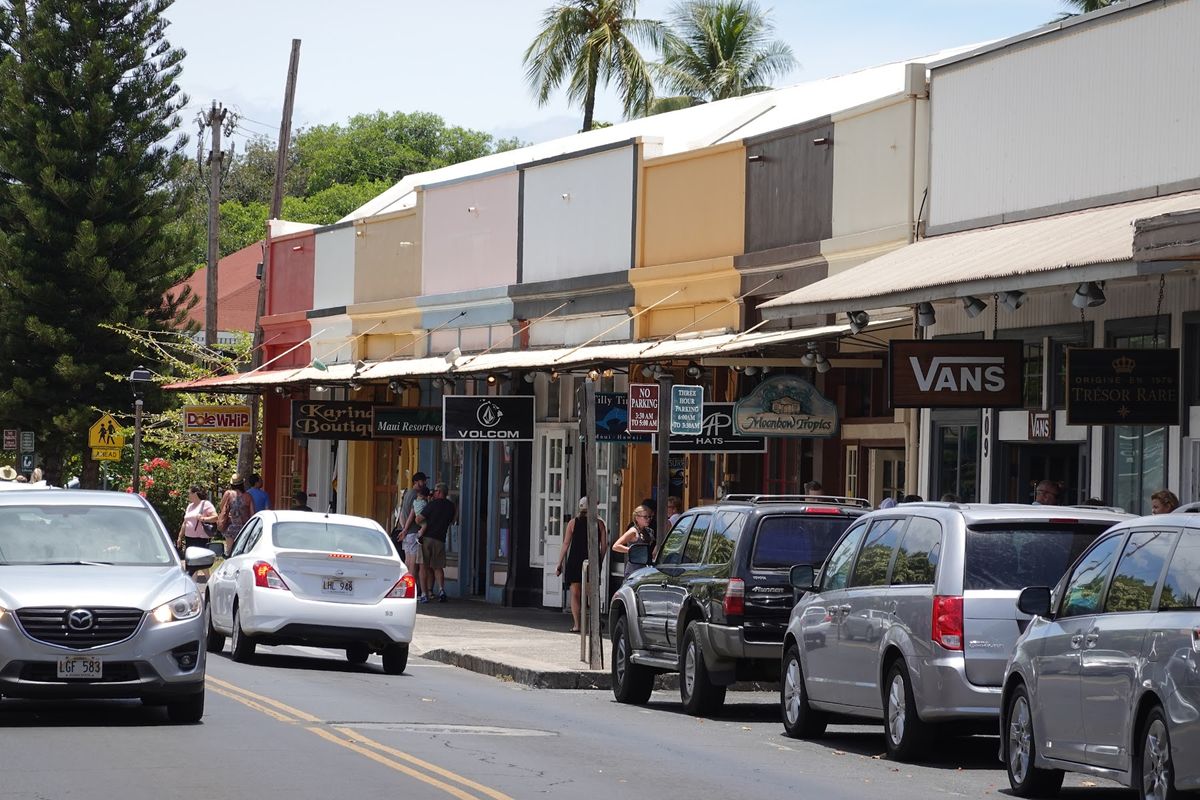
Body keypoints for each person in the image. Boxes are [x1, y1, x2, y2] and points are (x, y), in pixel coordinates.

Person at [555, 497, 609, 633]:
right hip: (591, 561)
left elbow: (566, 544)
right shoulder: (600, 523)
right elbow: (604, 546)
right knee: (592, 594)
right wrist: (600, 560)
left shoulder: (573, 523)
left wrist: (559, 563)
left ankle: (577, 625)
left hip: (574, 560)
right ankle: (593, 624)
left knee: (575, 593)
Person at [417, 482, 456, 603]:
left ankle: (424, 594)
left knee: (423, 566)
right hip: (440, 539)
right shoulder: (451, 506)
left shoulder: (432, 504)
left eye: (434, 491)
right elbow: (452, 520)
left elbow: (419, 518)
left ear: (439, 492)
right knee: (438, 567)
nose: (433, 493)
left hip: (427, 538)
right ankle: (441, 590)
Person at [402, 484, 431, 602]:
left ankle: (405, 587)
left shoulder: (413, 501)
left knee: (407, 561)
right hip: (415, 533)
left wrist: (404, 529)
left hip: (408, 533)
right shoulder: (425, 504)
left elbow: (408, 516)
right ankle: (411, 590)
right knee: (414, 564)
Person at [217, 474, 256, 555]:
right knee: (243, 551)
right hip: (244, 527)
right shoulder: (248, 496)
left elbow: (221, 507)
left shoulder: (228, 494)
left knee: (230, 551)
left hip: (230, 526)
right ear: (242, 483)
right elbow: (252, 513)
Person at [612, 504, 656, 575]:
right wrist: (633, 551)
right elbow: (615, 546)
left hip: (646, 568)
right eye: (645, 517)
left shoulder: (649, 531)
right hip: (634, 569)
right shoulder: (633, 531)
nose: (648, 519)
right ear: (637, 517)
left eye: (650, 517)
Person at [177, 486, 217, 551]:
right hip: (189, 538)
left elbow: (215, 518)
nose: (188, 495)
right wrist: (180, 537)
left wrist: (203, 519)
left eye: (189, 493)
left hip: (201, 539)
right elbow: (185, 522)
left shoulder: (206, 504)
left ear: (195, 494)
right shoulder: (189, 506)